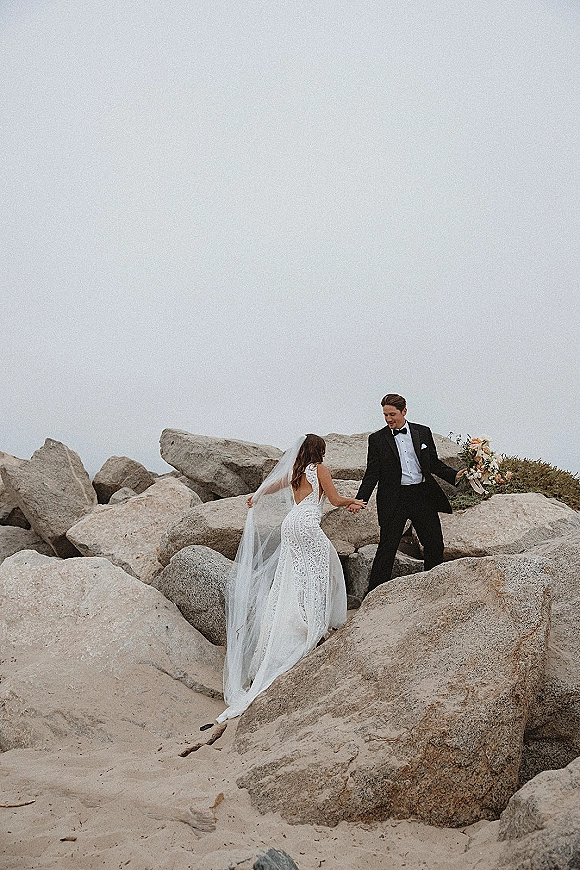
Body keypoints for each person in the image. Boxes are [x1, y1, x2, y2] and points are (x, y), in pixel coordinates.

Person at [217, 434, 366, 722]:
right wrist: (351, 501)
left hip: (291, 524)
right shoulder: (318, 468)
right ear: (318, 451)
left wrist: (257, 494)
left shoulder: (295, 471)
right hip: (308, 523)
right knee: (323, 569)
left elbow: (273, 485)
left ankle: (301, 616)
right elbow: (333, 499)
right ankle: (315, 621)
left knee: (293, 576)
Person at [350, 393, 461, 594]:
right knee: (387, 548)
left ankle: (433, 589)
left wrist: (456, 476)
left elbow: (433, 463)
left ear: (404, 411)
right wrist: (360, 499)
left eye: (392, 414)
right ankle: (374, 594)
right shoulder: (377, 439)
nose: (388, 419)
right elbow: (372, 473)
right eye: (385, 415)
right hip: (394, 498)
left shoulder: (423, 432)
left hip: (422, 495)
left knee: (434, 543)